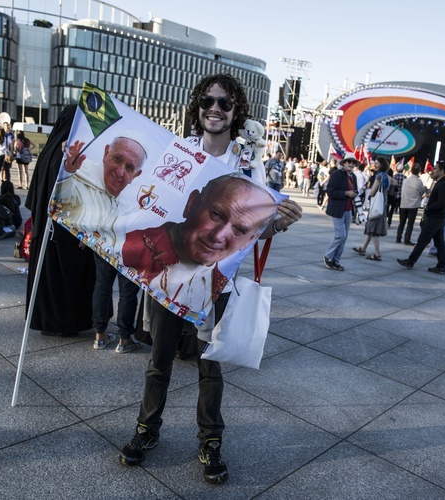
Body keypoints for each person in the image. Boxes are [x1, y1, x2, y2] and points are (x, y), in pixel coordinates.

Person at [118, 73, 302, 485]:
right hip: (171, 270)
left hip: (218, 280)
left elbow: (255, 229)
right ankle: (146, 430)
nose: (214, 109)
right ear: (197, 108)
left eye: (224, 103)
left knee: (210, 364)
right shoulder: (180, 150)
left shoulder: (247, 163)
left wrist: (280, 224)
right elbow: (148, 201)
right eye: (207, 102)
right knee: (158, 360)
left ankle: (210, 439)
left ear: (237, 112)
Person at [122, 174, 276, 312]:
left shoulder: (217, 282)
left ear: (249, 241)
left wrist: (278, 225)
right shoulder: (131, 246)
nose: (218, 236)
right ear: (191, 203)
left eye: (239, 230)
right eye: (216, 215)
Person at [25, 104, 97, 337]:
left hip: (46, 227)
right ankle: (68, 323)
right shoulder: (70, 152)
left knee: (48, 278)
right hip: (66, 229)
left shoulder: (49, 150)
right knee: (68, 278)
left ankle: (48, 322)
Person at [53, 134, 147, 251]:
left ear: (135, 175)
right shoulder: (79, 169)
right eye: (117, 159)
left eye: (129, 167)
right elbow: (62, 197)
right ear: (106, 154)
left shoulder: (128, 210)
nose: (119, 172)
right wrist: (68, 170)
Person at [397, 160, 445, 275]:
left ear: (442, 171)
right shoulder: (442, 183)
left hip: (436, 217)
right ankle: (441, 265)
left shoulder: (443, 185)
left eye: (435, 169)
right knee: (439, 241)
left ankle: (411, 261)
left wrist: (429, 207)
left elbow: (441, 203)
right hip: (438, 217)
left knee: (423, 240)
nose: (433, 170)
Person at [323, 152, 359, 271]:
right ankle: (328, 256)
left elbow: (356, 190)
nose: (351, 164)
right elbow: (330, 191)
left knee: (344, 236)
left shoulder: (353, 176)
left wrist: (354, 195)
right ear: (344, 163)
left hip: (348, 209)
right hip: (338, 208)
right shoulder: (337, 174)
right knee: (340, 235)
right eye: (349, 162)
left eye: (353, 163)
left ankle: (336, 260)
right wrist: (346, 193)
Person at [352, 157, 390, 261]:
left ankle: (377, 255)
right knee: (371, 228)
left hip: (376, 207)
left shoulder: (379, 177)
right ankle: (363, 249)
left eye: (377, 163)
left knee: (374, 231)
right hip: (382, 206)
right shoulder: (386, 176)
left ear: (382, 165)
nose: (375, 165)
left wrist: (369, 193)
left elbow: (372, 192)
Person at [397, 163, 426, 245]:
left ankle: (398, 237)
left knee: (401, 222)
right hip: (413, 205)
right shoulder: (419, 182)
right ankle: (407, 239)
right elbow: (422, 191)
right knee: (410, 223)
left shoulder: (405, 181)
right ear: (419, 172)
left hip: (404, 203)